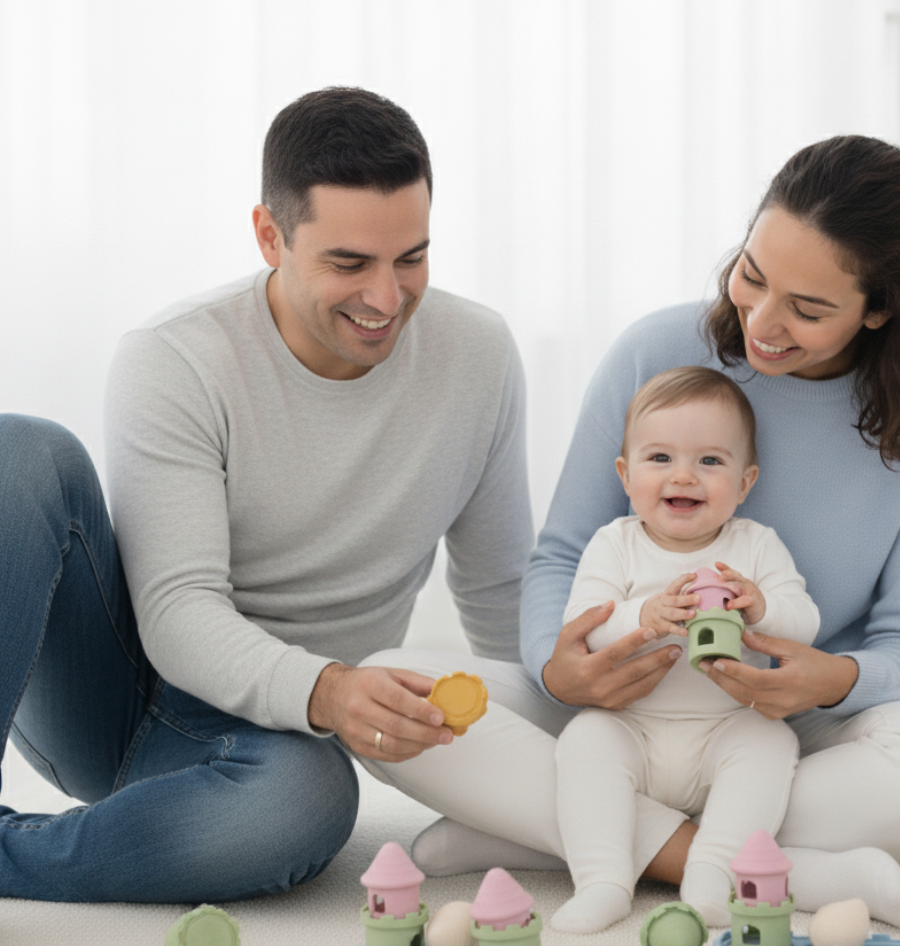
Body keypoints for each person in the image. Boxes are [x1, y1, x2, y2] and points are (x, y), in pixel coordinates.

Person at [370, 135, 900, 931]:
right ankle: (756, 866)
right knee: (386, 689)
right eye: (752, 275)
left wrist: (830, 680)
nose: (762, 323)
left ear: (880, 310)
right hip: (619, 709)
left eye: (808, 310)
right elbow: (567, 551)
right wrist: (559, 669)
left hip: (777, 731)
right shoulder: (657, 351)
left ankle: (562, 834)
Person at [0, 86, 535, 903]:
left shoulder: (479, 356)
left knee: (312, 799)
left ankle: (17, 857)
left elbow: (500, 596)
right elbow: (179, 610)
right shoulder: (176, 359)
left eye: (412, 258)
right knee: (23, 453)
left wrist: (566, 770)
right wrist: (328, 688)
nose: (386, 300)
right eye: (349, 264)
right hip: (119, 693)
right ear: (269, 235)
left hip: (277, 743)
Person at [552, 367, 820, 933]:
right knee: (583, 741)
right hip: (632, 726)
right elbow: (582, 625)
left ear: (745, 483)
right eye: (660, 459)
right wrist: (641, 617)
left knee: (771, 740)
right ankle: (603, 880)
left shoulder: (754, 546)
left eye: (710, 461)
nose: (684, 476)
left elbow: (806, 622)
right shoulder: (615, 544)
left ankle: (711, 875)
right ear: (626, 476)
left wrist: (761, 606)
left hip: (723, 729)